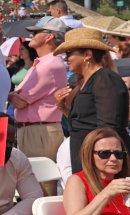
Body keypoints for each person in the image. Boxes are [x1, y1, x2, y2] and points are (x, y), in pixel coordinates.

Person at [53, 27, 130, 174]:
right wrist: (61, 106)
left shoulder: (104, 79)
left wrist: (103, 167)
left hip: (101, 165)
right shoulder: (89, 80)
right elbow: (84, 121)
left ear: (87, 54)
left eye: (69, 53)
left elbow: (109, 128)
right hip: (89, 161)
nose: (65, 58)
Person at [6, 17, 68, 196]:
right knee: (34, 188)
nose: (30, 35)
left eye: (36, 32)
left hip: (40, 132)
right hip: (36, 131)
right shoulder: (44, 63)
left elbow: (21, 97)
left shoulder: (48, 65)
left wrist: (10, 96)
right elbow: (18, 96)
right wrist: (11, 96)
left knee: (41, 190)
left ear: (49, 37)